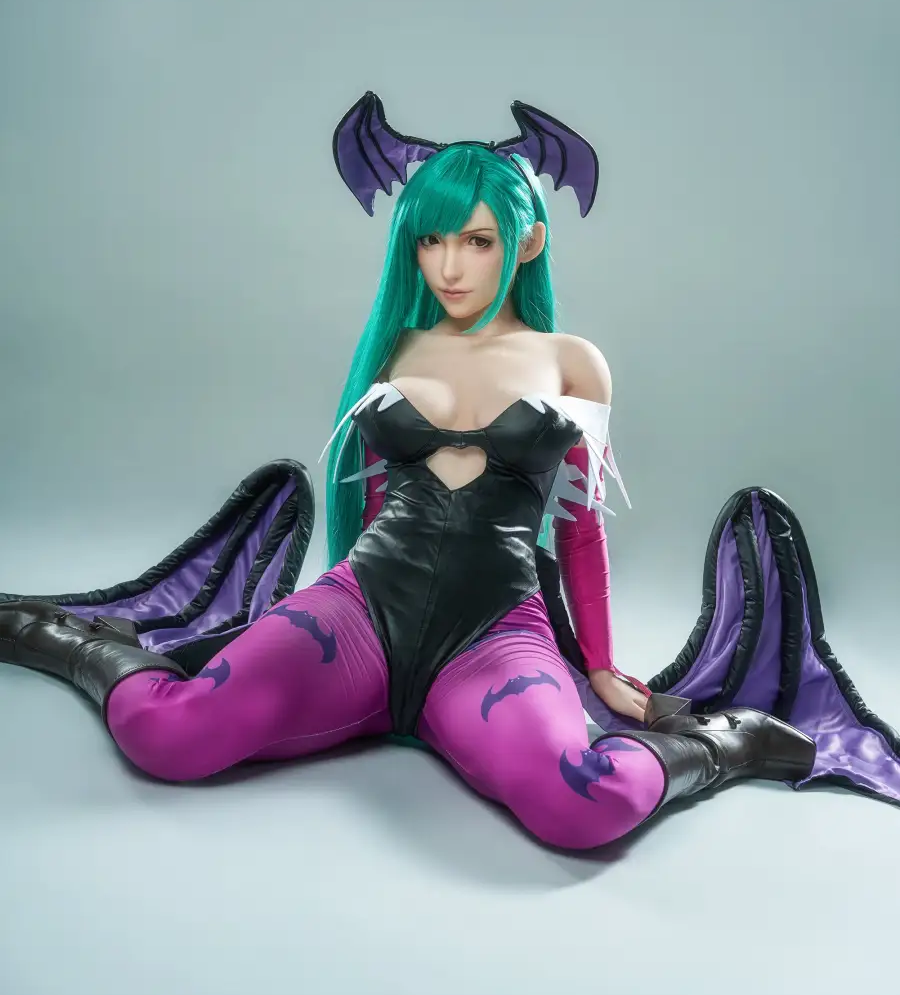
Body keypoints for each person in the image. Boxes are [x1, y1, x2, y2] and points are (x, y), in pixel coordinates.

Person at [0, 89, 854, 851]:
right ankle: (76, 645)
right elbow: (368, 501)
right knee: (168, 737)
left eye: (477, 241)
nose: (449, 266)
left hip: (494, 635)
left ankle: (728, 742)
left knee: (586, 802)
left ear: (527, 241)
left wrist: (598, 666)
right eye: (431, 240)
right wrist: (307, 619)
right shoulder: (397, 345)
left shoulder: (571, 362)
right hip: (359, 612)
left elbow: (580, 526)